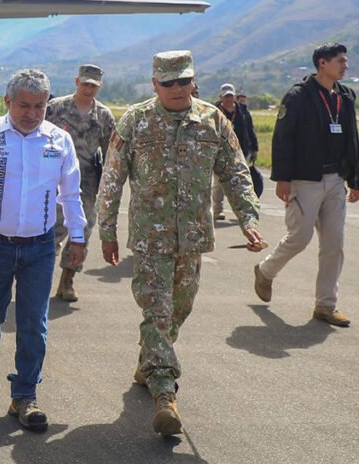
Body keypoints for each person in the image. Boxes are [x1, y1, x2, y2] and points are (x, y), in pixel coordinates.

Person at [97, 50, 264, 436]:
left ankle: (148, 362)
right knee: (156, 310)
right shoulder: (136, 120)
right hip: (150, 238)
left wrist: (248, 219)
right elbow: (112, 178)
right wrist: (107, 230)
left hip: (192, 237)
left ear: (193, 81)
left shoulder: (213, 120)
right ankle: (164, 391)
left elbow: (236, 172)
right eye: (167, 82)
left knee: (178, 310)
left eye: (183, 81)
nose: (176, 88)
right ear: (155, 84)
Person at [0, 69, 86, 433]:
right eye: (24, 106)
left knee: (33, 322)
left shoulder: (58, 141)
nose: (31, 114)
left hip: (40, 247)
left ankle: (24, 395)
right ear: (8, 102)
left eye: (39, 106)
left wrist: (77, 237)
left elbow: (70, 193)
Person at [255, 43, 359, 327]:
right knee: (299, 238)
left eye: (346, 61)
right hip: (304, 180)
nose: (345, 65)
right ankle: (265, 271)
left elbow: (352, 139)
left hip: (335, 180)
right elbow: (282, 137)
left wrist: (355, 179)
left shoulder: (346, 96)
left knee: (334, 243)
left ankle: (325, 305)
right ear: (322, 63)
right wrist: (283, 178)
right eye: (340, 61)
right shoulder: (298, 96)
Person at [45, 64, 115, 302]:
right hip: (54, 176)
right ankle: (39, 278)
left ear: (99, 86)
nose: (88, 89)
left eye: (93, 86)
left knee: (82, 231)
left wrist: (108, 184)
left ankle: (67, 280)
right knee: (50, 229)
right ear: (77, 82)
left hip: (86, 181)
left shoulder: (104, 116)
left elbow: (111, 152)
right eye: (85, 84)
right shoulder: (55, 108)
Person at [213, 83, 259, 220]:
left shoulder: (242, 111)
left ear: (234, 97)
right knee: (219, 182)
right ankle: (218, 209)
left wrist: (254, 148)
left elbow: (250, 129)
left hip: (240, 150)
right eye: (226, 96)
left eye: (231, 96)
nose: (228, 99)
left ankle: (244, 211)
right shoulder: (214, 112)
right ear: (221, 97)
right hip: (220, 150)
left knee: (242, 181)